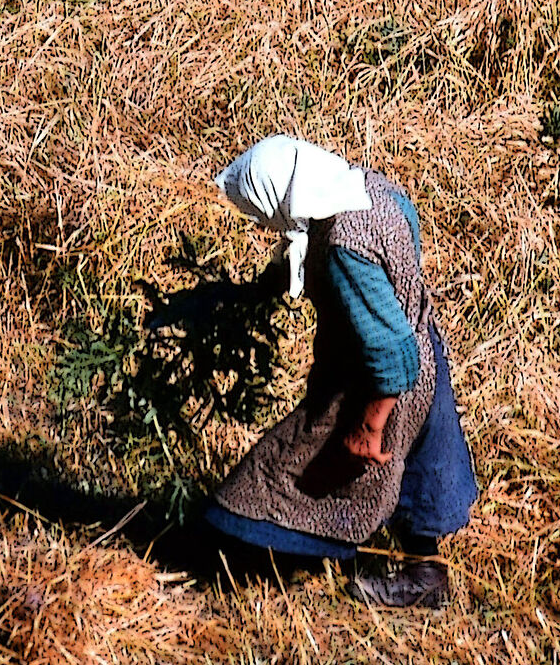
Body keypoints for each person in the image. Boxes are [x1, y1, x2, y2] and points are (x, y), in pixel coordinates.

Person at [193, 134, 478, 608]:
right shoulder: (370, 190)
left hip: (385, 377)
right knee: (418, 470)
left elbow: (391, 353)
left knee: (289, 472)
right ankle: (424, 572)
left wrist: (368, 426)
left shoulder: (345, 246)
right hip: (426, 352)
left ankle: (228, 557)